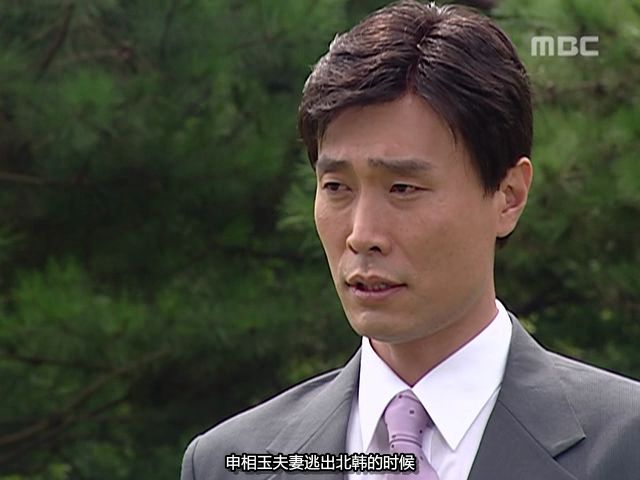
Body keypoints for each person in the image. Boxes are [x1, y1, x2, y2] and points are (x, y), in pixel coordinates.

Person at [180, 1, 640, 479]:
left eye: (403, 189)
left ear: (508, 196)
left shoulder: (625, 446)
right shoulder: (231, 463)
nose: (362, 235)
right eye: (336, 187)